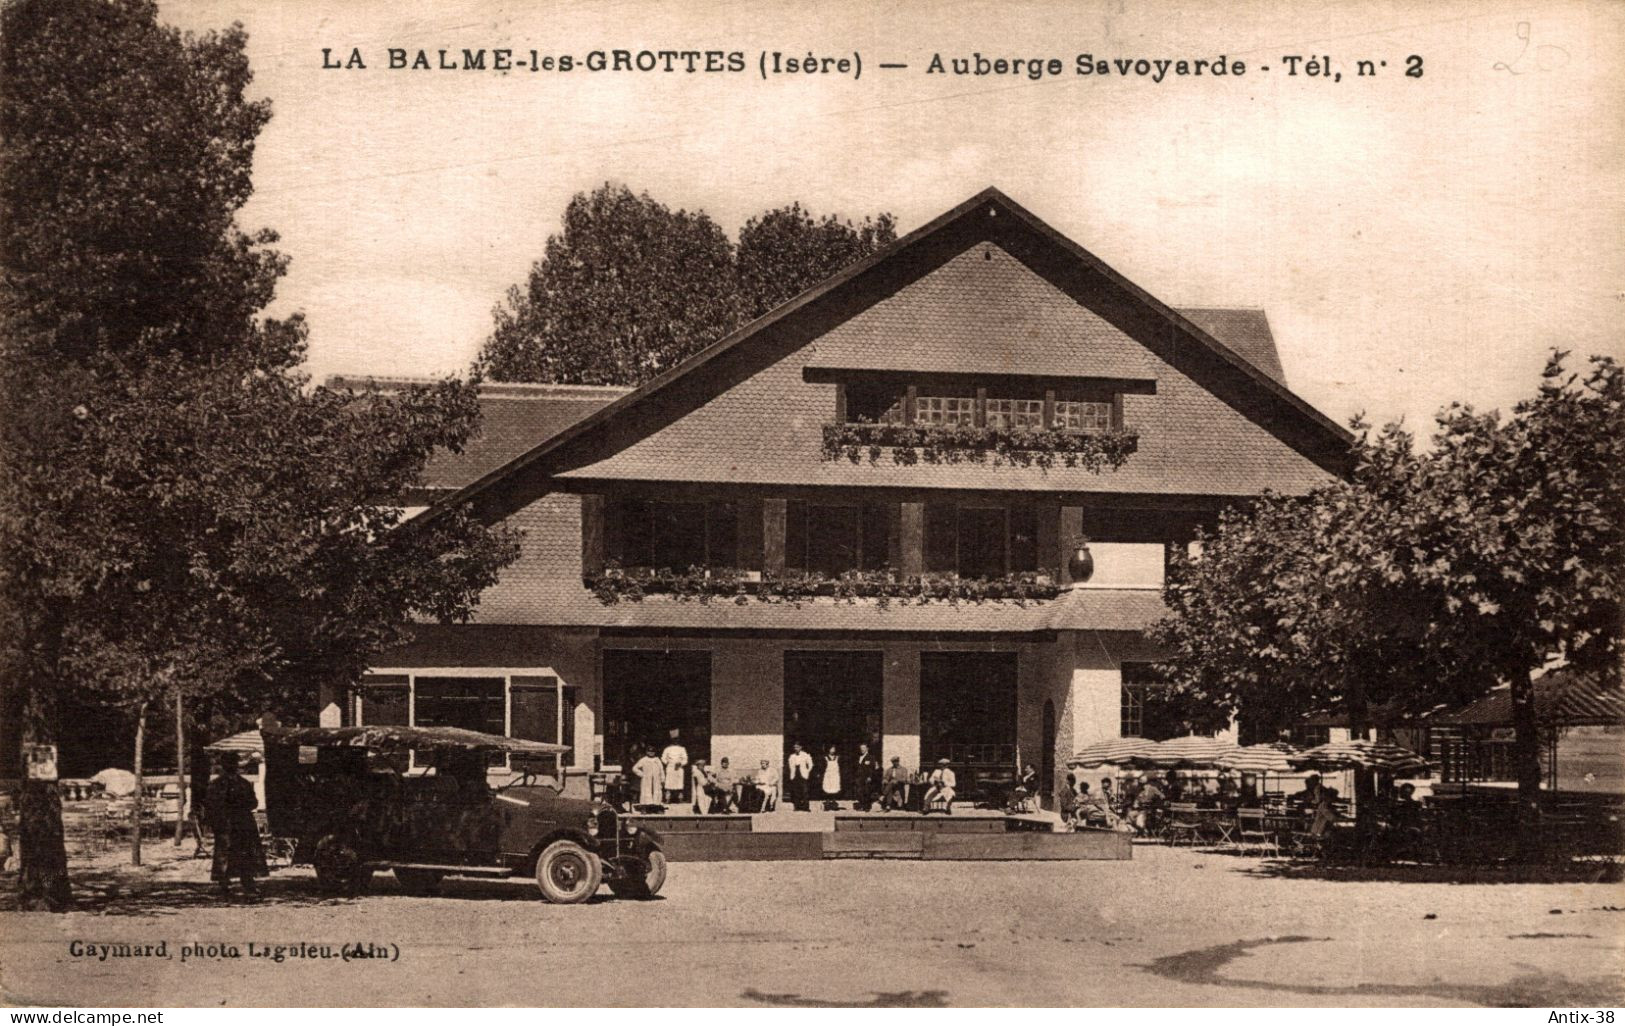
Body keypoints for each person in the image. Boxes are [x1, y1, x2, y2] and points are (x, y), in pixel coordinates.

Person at [205, 751, 267, 900]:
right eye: (230, 763)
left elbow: (253, 802)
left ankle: (236, 883)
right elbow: (253, 803)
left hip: (236, 822)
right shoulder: (238, 783)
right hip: (235, 822)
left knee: (238, 852)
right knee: (229, 852)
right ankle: (232, 883)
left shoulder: (219, 784)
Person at [661, 731, 689, 806]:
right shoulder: (667, 749)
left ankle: (680, 798)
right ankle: (668, 798)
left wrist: (681, 763)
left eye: (676, 739)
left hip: (679, 768)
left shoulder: (682, 749)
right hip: (670, 768)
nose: (675, 741)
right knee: (669, 785)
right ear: (671, 740)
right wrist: (667, 762)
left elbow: (685, 759)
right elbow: (663, 758)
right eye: (674, 739)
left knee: (679, 785)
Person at [632, 745, 664, 809]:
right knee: (646, 791)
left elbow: (661, 770)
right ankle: (645, 807)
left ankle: (656, 807)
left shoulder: (657, 760)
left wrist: (662, 779)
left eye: (653, 751)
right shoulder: (644, 760)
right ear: (647, 752)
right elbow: (635, 768)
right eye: (649, 751)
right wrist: (642, 774)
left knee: (656, 792)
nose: (651, 753)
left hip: (656, 779)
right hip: (647, 779)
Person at [786, 742, 814, 812]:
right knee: (796, 791)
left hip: (803, 774)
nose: (796, 749)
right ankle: (797, 807)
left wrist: (807, 771)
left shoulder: (805, 755)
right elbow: (790, 766)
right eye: (795, 747)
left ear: (801, 747)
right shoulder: (792, 756)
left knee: (805, 791)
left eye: (797, 747)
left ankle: (806, 807)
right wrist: (792, 774)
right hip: (795, 774)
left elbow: (810, 764)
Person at [853, 743, 880, 811]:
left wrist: (870, 777)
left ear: (867, 748)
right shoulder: (858, 757)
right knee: (859, 791)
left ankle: (866, 807)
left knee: (866, 792)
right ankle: (861, 805)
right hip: (859, 778)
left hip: (866, 778)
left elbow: (872, 768)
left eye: (864, 748)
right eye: (861, 748)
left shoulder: (871, 757)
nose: (862, 749)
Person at [820, 745, 843, 811]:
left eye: (834, 749)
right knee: (827, 788)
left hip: (835, 775)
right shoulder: (825, 758)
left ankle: (833, 803)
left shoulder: (838, 757)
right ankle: (827, 803)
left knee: (834, 788)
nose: (833, 750)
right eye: (831, 749)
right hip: (828, 775)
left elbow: (841, 767)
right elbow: (822, 767)